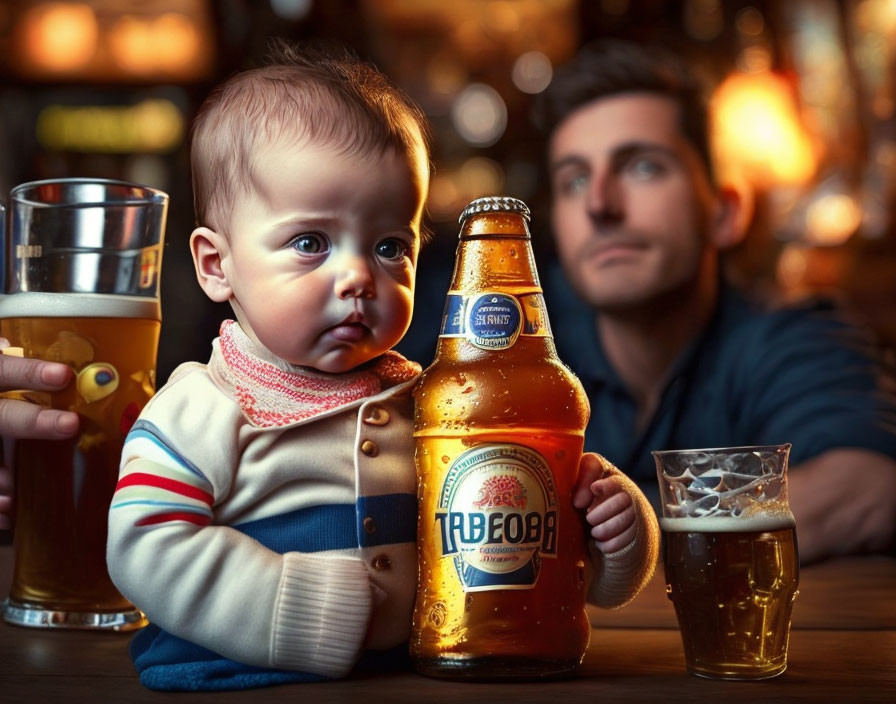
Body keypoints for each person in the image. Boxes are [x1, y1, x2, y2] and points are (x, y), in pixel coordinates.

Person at [59, 43, 654, 691]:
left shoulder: (431, 404)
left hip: (407, 674)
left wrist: (609, 536)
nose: (358, 277)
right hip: (239, 676)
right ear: (215, 265)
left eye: (390, 246)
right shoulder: (203, 404)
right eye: (310, 243)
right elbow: (146, 542)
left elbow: (506, 546)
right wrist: (302, 608)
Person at [533, 39, 896, 564]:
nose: (598, 204)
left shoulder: (787, 338)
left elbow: (868, 490)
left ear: (724, 213)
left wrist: (627, 535)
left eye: (642, 168)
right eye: (575, 180)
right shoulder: (512, 355)